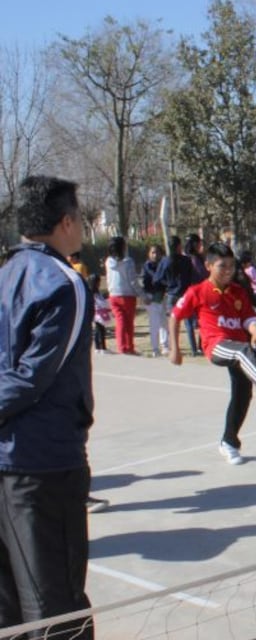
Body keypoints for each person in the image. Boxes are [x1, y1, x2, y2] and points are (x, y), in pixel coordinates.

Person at [0, 175, 95, 638]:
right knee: (55, 601)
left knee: (9, 599)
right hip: (44, 465)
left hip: (11, 460)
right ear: (65, 222)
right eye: (80, 218)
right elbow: (32, 376)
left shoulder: (5, 274)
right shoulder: (63, 283)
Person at [169, 242, 256, 465]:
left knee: (242, 394)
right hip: (216, 345)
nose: (228, 271)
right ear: (209, 266)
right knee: (241, 353)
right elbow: (174, 316)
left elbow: (248, 318)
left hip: (240, 348)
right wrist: (175, 349)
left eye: (231, 266)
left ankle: (228, 442)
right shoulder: (197, 291)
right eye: (222, 266)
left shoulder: (238, 291)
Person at [154, 235, 199, 355]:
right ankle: (194, 349)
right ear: (179, 246)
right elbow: (191, 276)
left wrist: (167, 283)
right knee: (188, 323)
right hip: (185, 294)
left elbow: (157, 278)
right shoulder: (186, 260)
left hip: (171, 294)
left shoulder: (165, 261)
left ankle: (175, 348)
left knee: (173, 322)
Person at [105, 235, 141, 355]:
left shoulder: (108, 262)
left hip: (113, 295)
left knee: (120, 321)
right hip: (127, 295)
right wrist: (142, 294)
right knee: (128, 322)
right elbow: (133, 281)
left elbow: (108, 278)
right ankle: (129, 347)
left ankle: (121, 347)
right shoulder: (128, 262)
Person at [142, 243, 169, 357]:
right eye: (153, 252)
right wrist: (144, 296)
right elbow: (155, 278)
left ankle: (165, 346)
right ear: (149, 254)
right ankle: (155, 348)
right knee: (154, 323)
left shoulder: (164, 264)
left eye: (157, 252)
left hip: (163, 296)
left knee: (164, 322)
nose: (155, 255)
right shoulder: (147, 266)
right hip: (151, 297)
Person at [89, 273, 112, 354]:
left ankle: (97, 347)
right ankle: (103, 348)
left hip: (95, 313)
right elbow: (101, 303)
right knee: (101, 330)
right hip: (99, 313)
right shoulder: (95, 293)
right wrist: (107, 303)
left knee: (97, 330)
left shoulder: (90, 292)